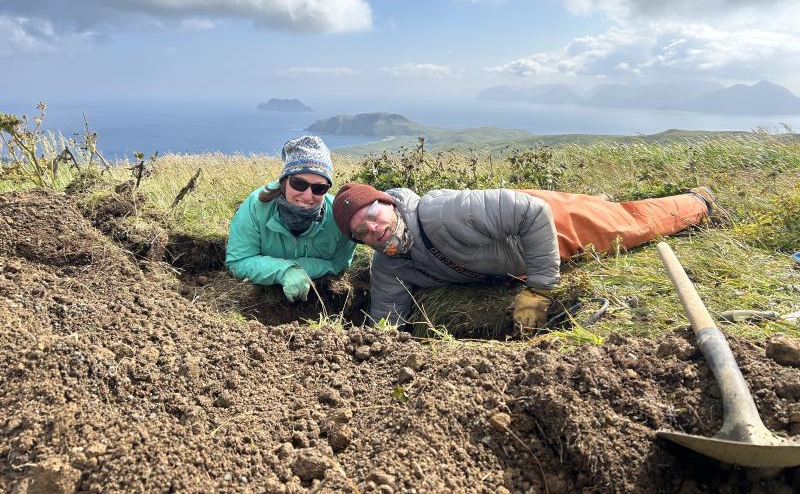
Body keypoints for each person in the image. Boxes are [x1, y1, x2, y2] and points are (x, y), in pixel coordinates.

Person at [332, 183, 719, 328]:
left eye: (372, 215)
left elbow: (533, 215)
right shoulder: (389, 265)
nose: (373, 230)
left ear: (386, 203)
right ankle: (596, 199)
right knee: (604, 210)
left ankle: (698, 201)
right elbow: (386, 324)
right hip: (510, 241)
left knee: (633, 224)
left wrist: (539, 291)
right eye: (360, 233)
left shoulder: (439, 212)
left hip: (547, 223)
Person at [226, 136, 356, 303]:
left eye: (319, 188)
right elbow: (238, 261)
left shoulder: (339, 217)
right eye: (299, 184)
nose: (308, 196)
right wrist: (283, 271)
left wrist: (299, 268)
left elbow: (340, 264)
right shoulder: (255, 206)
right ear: (284, 182)